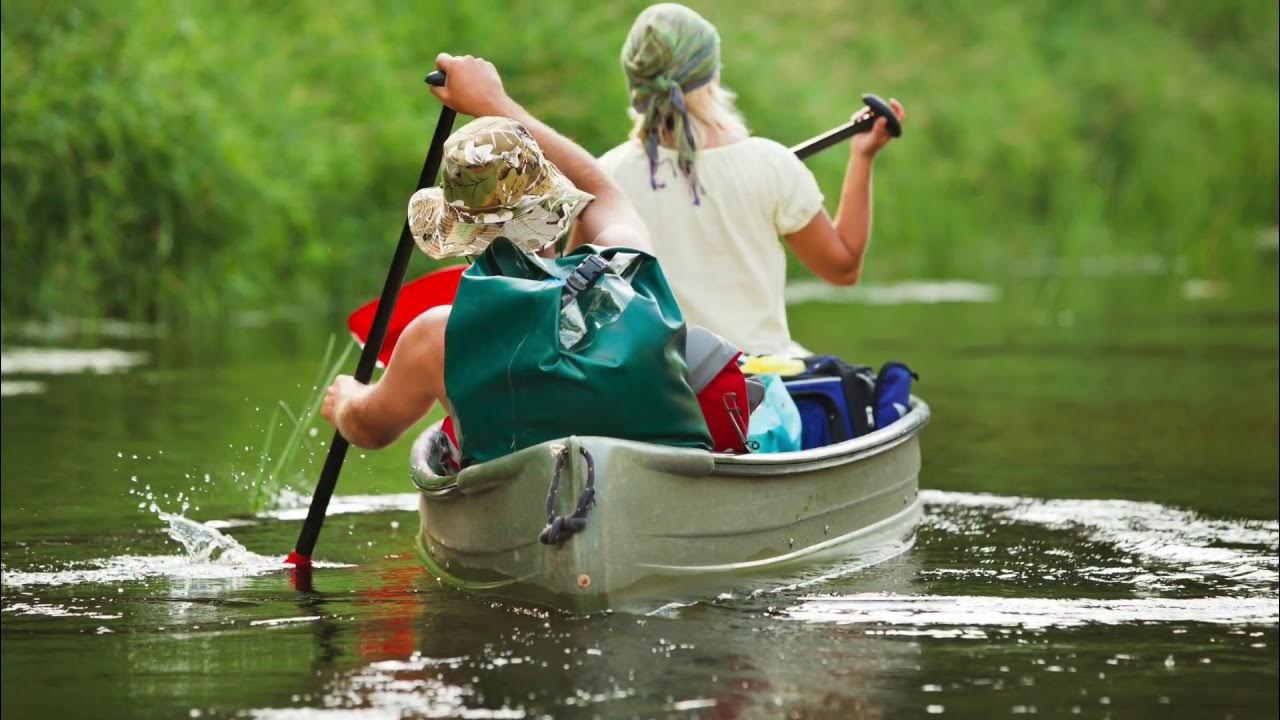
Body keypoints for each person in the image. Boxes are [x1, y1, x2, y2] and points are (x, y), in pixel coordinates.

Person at [321, 54, 655, 450]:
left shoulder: (438, 334)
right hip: (650, 475)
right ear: (555, 209)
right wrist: (493, 102)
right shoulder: (623, 262)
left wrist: (346, 400)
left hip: (526, 496)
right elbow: (601, 190)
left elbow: (370, 428)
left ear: (461, 237)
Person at [595, 3, 906, 356]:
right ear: (711, 75)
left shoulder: (606, 175)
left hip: (658, 384)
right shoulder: (769, 163)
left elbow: (581, 291)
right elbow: (843, 268)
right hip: (759, 386)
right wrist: (862, 156)